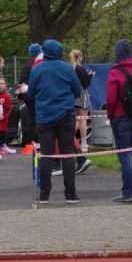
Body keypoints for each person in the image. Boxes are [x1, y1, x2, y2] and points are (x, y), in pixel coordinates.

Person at [27, 39, 85, 205]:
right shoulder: (67, 68)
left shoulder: (37, 69)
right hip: (65, 115)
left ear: (44, 51)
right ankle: (70, 194)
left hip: (44, 117)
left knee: (46, 154)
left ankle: (44, 195)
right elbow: (77, 90)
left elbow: (30, 94)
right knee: (67, 154)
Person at [105, 39, 132, 203]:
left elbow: (111, 99)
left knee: (125, 156)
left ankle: (128, 192)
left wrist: (111, 116)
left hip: (121, 117)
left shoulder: (115, 72)